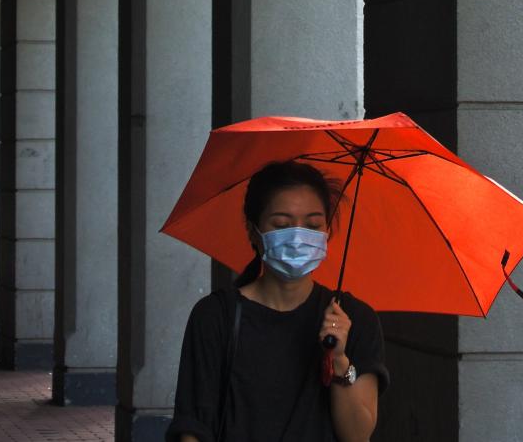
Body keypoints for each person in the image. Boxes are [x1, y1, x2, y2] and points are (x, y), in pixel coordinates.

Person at [166, 159, 389, 442]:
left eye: (312, 224)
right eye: (282, 224)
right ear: (253, 230)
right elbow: (193, 427)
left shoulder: (355, 319)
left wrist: (339, 361)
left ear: (327, 232)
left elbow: (357, 435)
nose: (297, 237)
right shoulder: (215, 316)